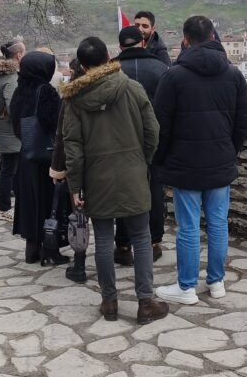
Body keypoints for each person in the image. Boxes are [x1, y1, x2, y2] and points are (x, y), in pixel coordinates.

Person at [62, 36, 167, 325]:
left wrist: (75, 187)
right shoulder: (132, 88)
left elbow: (73, 147)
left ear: (82, 66)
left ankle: (109, 302)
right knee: (142, 238)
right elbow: (152, 131)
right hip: (133, 171)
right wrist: (141, 159)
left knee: (105, 240)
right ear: (109, 57)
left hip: (97, 178)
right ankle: (145, 302)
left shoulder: (75, 100)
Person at [151, 16, 247, 305]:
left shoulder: (174, 76)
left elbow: (162, 125)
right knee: (218, 224)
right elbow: (243, 120)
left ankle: (186, 287)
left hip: (185, 163)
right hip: (220, 160)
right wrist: (229, 150)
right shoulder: (233, 74)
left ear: (185, 40)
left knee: (189, 227)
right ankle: (216, 281)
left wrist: (162, 159)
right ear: (212, 37)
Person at [113, 25, 170, 264]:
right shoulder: (163, 70)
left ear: (120, 46)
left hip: (118, 143)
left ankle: (123, 245)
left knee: (122, 194)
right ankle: (154, 242)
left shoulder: (110, 71)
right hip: (155, 142)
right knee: (154, 192)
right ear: (143, 43)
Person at [9, 51, 66, 265]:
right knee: (48, 202)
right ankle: (50, 250)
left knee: (30, 203)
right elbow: (56, 124)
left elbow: (16, 125)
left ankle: (31, 249)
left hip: (26, 155)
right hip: (46, 157)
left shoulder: (19, 91)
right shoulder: (46, 92)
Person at [50, 58, 86, 282]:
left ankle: (80, 266)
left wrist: (58, 168)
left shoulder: (71, 97)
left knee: (80, 218)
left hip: (79, 165)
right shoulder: (119, 89)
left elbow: (62, 137)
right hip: (110, 165)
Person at [0, 41, 24, 221]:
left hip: (2, 127)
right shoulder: (11, 77)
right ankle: (3, 208)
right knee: (9, 169)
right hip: (11, 130)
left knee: (8, 168)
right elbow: (13, 107)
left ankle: (14, 204)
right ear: (18, 55)